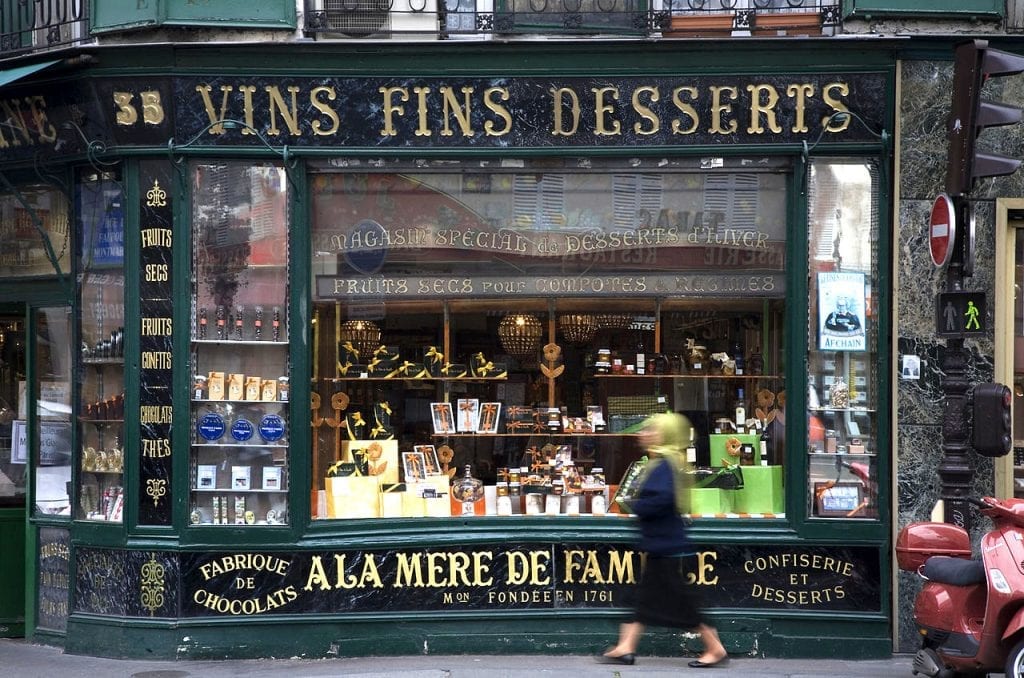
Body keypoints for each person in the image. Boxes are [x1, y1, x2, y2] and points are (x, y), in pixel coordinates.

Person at [597, 412, 728, 669]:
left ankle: (715, 648)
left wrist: (636, 505)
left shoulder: (665, 464)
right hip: (662, 543)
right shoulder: (663, 462)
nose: (644, 434)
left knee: (682, 603)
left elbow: (662, 500)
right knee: (641, 599)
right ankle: (625, 647)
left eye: (652, 430)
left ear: (666, 434)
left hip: (667, 546)